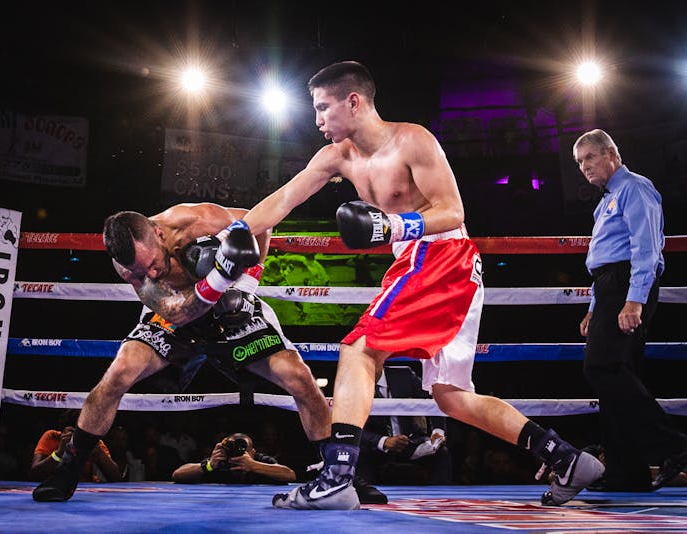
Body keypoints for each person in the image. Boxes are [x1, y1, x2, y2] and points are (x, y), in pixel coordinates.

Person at [235, 60, 604, 509]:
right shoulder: (337, 157)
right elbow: (282, 201)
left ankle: (336, 477)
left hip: (441, 255)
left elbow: (453, 211)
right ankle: (565, 458)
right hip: (437, 266)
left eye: (323, 107)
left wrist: (393, 226)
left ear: (354, 102)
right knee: (451, 399)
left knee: (359, 349)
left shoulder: (412, 140)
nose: (317, 120)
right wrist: (227, 237)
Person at [32, 204, 330, 501]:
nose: (149, 273)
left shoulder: (198, 221)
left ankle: (334, 475)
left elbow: (263, 223)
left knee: (299, 376)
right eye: (140, 271)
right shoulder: (127, 265)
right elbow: (173, 312)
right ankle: (68, 470)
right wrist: (202, 289)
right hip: (175, 311)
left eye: (152, 264)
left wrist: (248, 283)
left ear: (158, 233)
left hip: (229, 307)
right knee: (118, 373)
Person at [574, 129, 687, 491]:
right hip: (611, 288)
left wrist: (634, 299)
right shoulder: (607, 199)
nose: (585, 167)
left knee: (602, 366)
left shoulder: (635, 188)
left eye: (590, 157)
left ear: (611, 154)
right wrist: (595, 305)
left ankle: (676, 447)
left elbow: (646, 248)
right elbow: (604, 259)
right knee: (616, 375)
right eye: (579, 162)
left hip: (627, 286)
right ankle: (628, 472)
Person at [356, 365, 451, 503]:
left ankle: (442, 501)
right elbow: (350, 424)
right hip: (375, 449)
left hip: (411, 444)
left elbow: (433, 400)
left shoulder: (404, 375)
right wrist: (383, 441)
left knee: (441, 453)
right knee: (359, 454)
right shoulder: (353, 384)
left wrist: (437, 432)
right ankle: (366, 502)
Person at [172, 432, 296, 484]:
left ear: (253, 453)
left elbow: (290, 475)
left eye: (244, 450)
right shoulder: (220, 461)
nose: (239, 454)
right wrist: (209, 465)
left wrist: (253, 466)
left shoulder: (260, 461)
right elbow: (177, 474)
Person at [30, 421, 121, 483]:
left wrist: (99, 453)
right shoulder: (53, 436)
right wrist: (60, 452)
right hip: (54, 485)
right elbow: (35, 475)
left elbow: (116, 478)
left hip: (85, 489)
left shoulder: (93, 441)